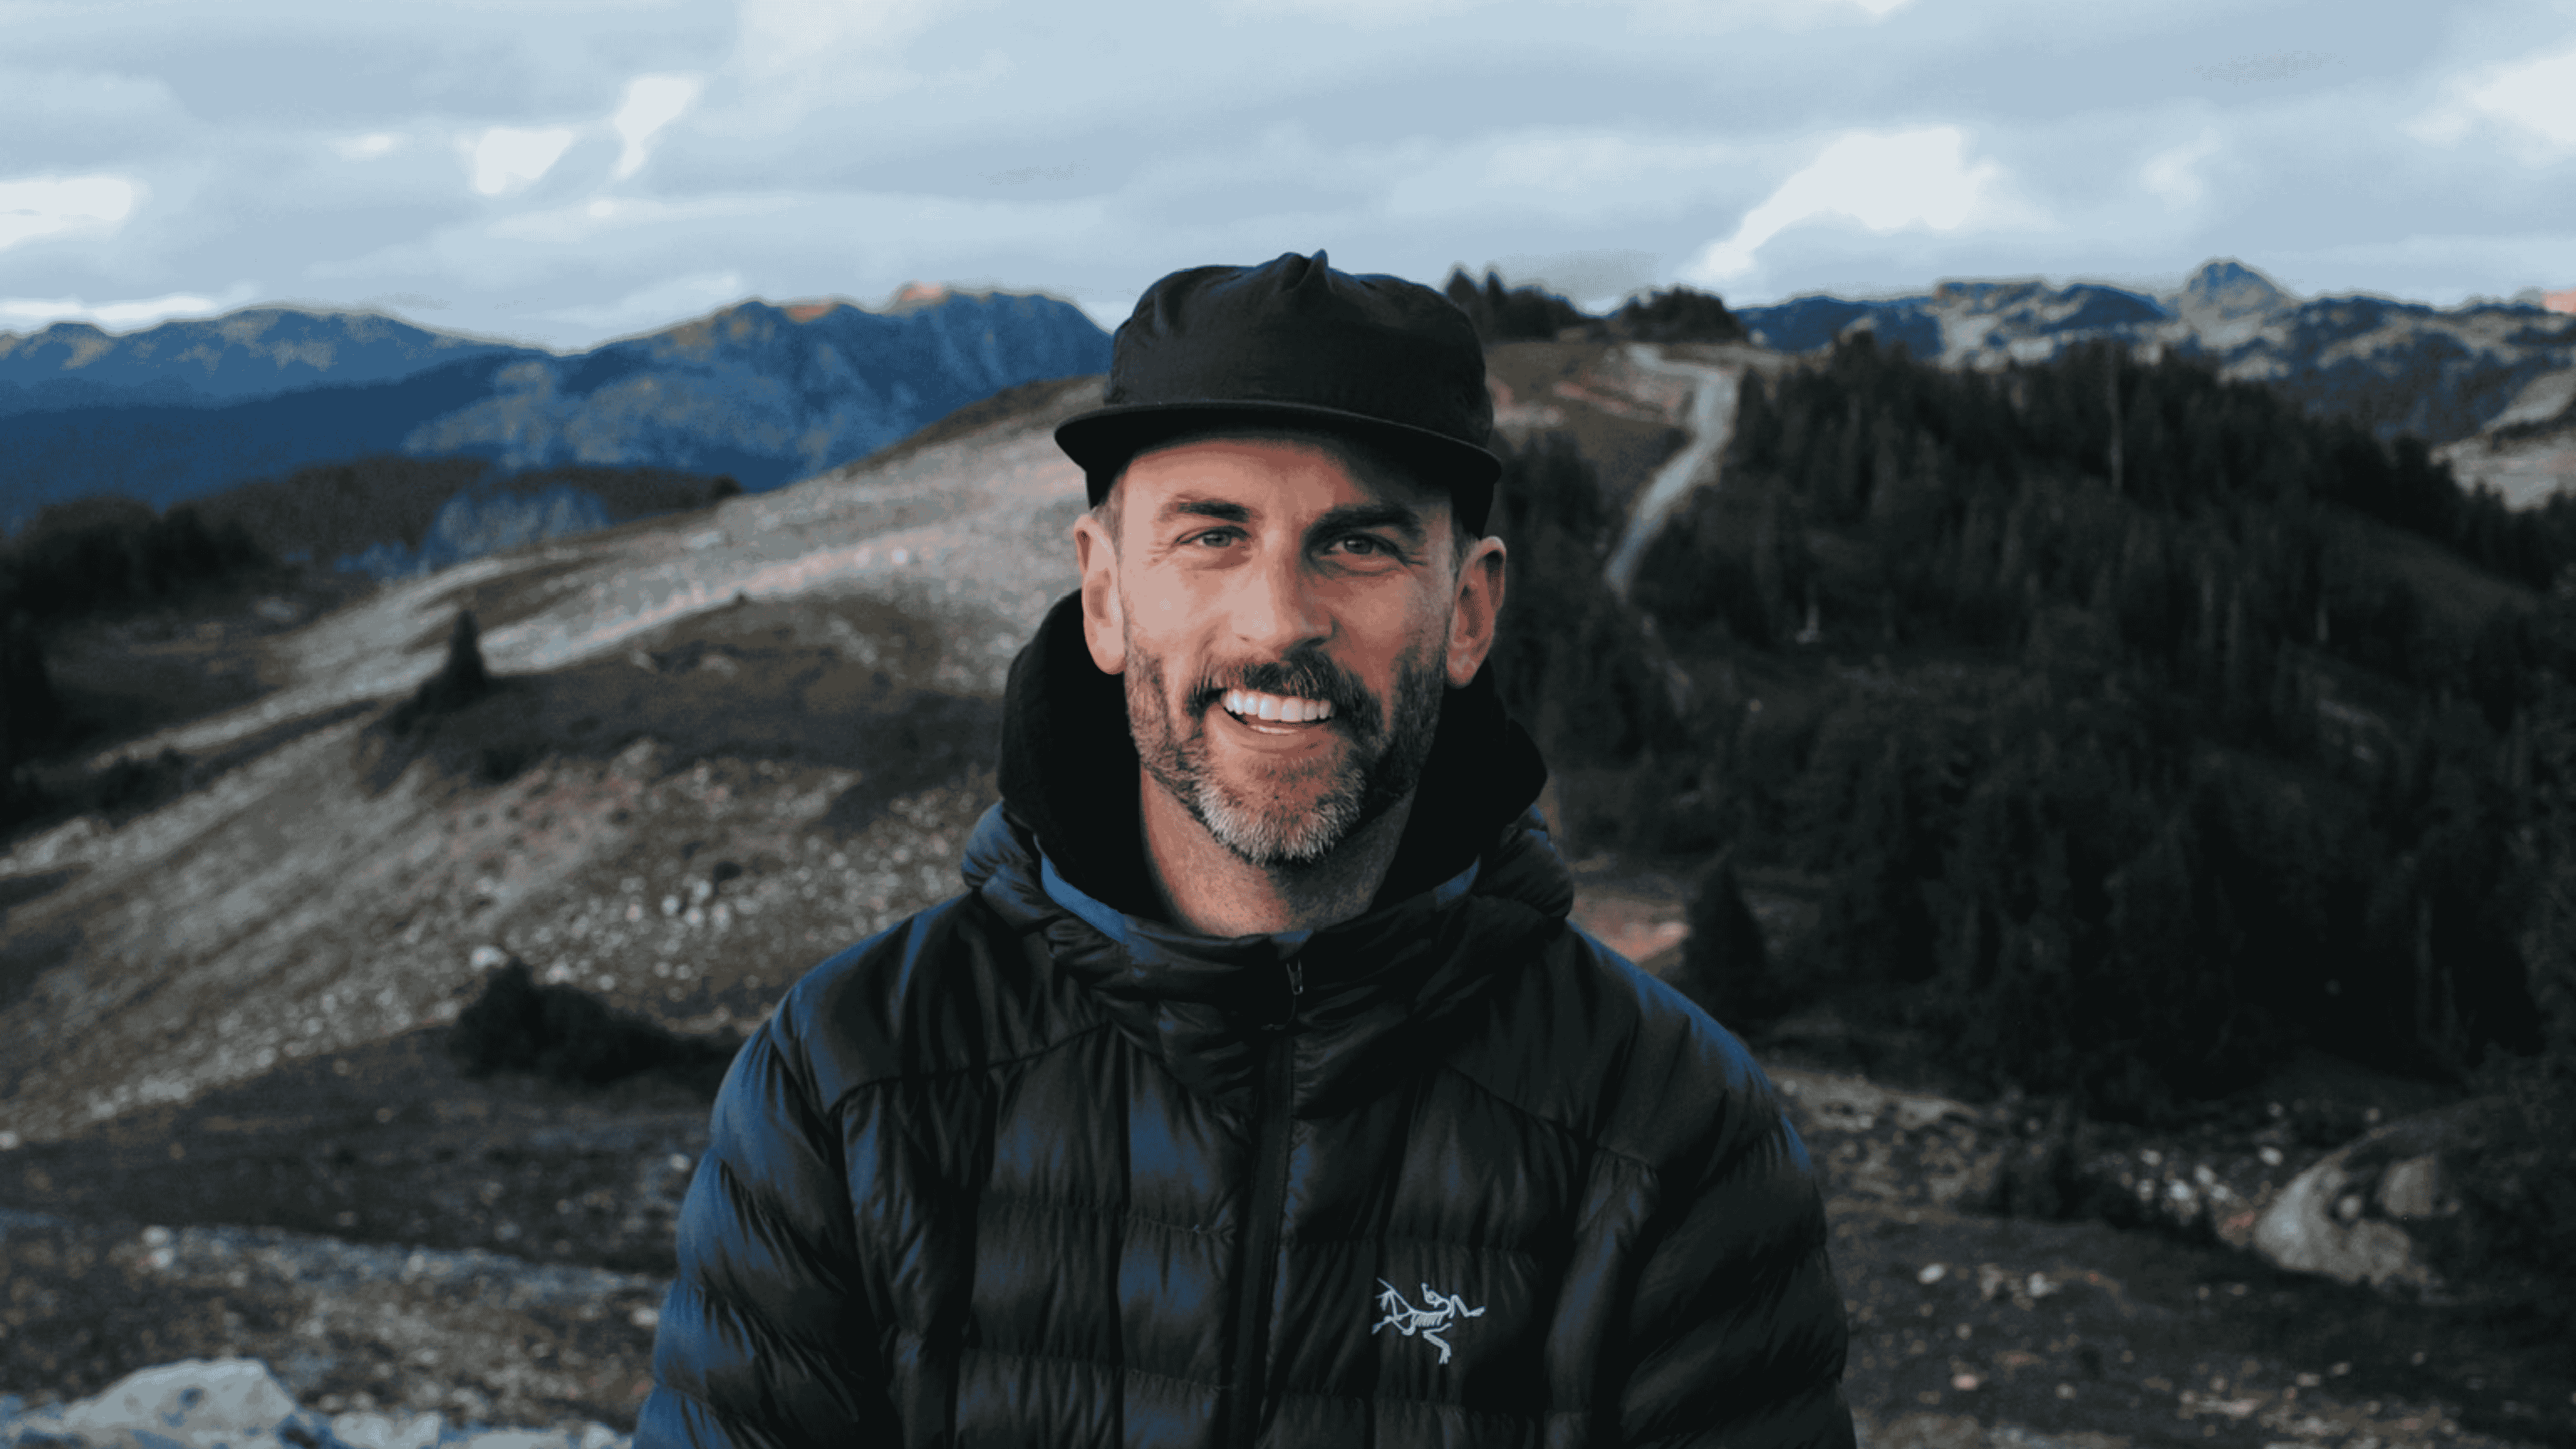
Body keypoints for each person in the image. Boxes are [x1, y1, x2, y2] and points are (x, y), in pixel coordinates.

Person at [638, 251, 1854, 1448]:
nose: (1279, 622)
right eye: (1213, 536)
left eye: (1359, 544)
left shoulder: (1670, 1131)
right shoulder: (847, 1081)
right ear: (1105, 594)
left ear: (1469, 612)